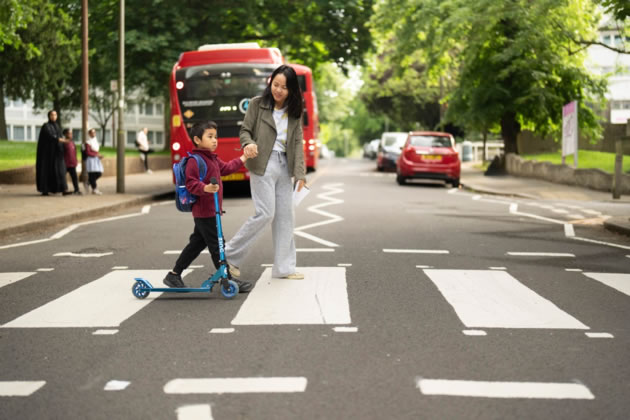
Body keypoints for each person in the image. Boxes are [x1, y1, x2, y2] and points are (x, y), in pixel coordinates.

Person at [225, 64, 307, 280]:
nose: (278, 90)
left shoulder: (295, 110)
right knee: (266, 213)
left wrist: (300, 173)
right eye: (275, 85)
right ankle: (230, 254)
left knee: (285, 217)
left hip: (284, 166)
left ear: (292, 90)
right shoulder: (257, 104)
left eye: (284, 87)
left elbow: (298, 141)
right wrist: (248, 143)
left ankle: (284, 268)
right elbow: (245, 130)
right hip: (262, 162)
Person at [162, 121, 253, 293]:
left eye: (215, 137)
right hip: (205, 211)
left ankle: (174, 275)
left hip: (212, 210)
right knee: (217, 245)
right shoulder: (195, 161)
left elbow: (226, 168)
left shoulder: (212, 158)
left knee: (196, 244)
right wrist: (205, 188)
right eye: (209, 137)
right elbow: (191, 183)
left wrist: (244, 157)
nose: (214, 140)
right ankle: (227, 279)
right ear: (197, 139)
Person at [36, 110, 70, 196]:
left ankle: (64, 189)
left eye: (55, 115)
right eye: (52, 115)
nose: (54, 116)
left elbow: (59, 136)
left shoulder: (57, 126)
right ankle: (45, 190)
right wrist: (61, 140)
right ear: (49, 116)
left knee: (60, 171)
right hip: (48, 155)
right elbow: (50, 136)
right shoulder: (46, 126)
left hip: (57, 154)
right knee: (47, 171)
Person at [62, 129, 81, 195]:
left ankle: (77, 190)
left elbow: (74, 152)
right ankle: (64, 190)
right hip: (65, 164)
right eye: (69, 133)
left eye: (71, 133)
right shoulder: (63, 143)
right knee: (62, 177)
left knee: (74, 177)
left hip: (72, 164)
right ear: (65, 134)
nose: (71, 135)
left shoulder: (72, 142)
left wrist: (76, 161)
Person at [85, 128, 104, 195]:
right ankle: (94, 189)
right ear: (89, 134)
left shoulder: (95, 141)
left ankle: (88, 182)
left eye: (94, 132)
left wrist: (99, 155)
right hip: (91, 160)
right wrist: (96, 155)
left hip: (96, 159)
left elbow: (96, 150)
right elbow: (88, 152)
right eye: (92, 132)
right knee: (92, 175)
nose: (93, 134)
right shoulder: (88, 142)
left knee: (99, 173)